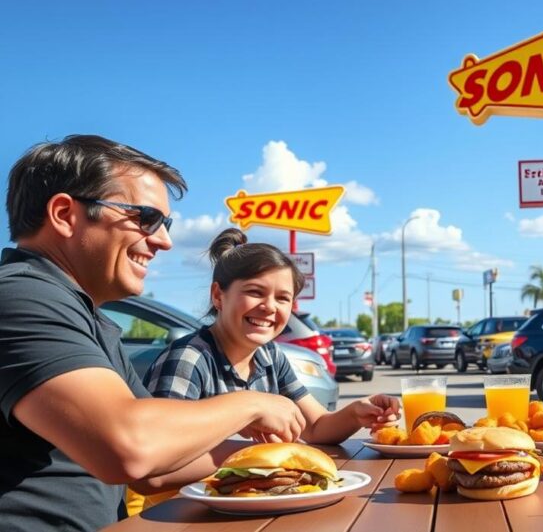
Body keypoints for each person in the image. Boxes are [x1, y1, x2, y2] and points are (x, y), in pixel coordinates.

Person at [0, 136, 307, 532]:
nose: (163, 240)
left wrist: (282, 458)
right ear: (64, 214)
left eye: (166, 224)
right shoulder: (20, 296)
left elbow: (155, 470)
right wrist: (251, 404)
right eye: (145, 218)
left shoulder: (92, 322)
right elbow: (129, 448)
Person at [145, 228, 401, 442]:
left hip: (250, 500)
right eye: (255, 292)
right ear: (217, 295)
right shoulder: (188, 359)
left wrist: (356, 413)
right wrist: (257, 453)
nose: (269, 306)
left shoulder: (269, 356)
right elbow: (158, 456)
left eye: (283, 298)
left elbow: (316, 427)